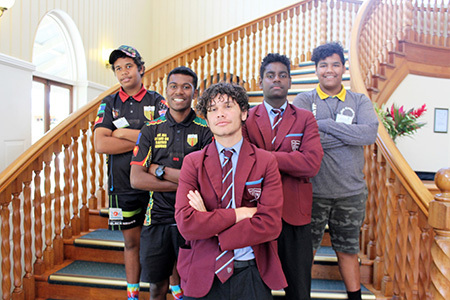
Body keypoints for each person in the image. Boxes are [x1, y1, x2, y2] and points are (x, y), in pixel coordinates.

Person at [174, 82, 287, 299]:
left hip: (252, 271)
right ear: (206, 120)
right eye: (212, 110)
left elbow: (270, 224)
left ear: (244, 112)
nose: (220, 114)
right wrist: (239, 214)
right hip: (203, 270)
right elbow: (187, 224)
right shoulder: (193, 163)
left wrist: (209, 222)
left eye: (227, 106)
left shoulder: (266, 162)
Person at [292, 42, 379, 300]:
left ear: (343, 67)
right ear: (316, 70)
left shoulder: (359, 100)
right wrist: (347, 135)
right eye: (323, 65)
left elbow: (369, 133)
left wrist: (325, 125)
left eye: (334, 64)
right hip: (312, 192)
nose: (329, 70)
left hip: (350, 194)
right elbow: (302, 138)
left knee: (348, 250)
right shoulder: (304, 99)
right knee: (304, 253)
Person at [242, 53, 323, 300]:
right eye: (270, 75)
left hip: (294, 214)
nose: (276, 80)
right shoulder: (246, 119)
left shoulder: (305, 118)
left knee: (298, 290)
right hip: (256, 211)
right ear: (260, 82)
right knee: (256, 288)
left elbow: (311, 164)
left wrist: (263, 157)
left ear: (289, 82)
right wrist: (288, 159)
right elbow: (244, 163)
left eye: (282, 75)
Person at [130, 66, 213, 300]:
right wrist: (186, 183)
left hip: (193, 218)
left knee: (193, 286)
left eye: (186, 87)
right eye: (174, 86)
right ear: (166, 91)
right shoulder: (150, 129)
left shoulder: (206, 130)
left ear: (195, 93)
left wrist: (158, 170)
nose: (180, 91)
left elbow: (206, 179)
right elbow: (136, 179)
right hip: (156, 218)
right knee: (157, 287)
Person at [94, 45, 168, 300]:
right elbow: (101, 144)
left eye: (128, 66)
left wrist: (121, 134)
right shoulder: (109, 103)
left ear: (140, 68)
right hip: (120, 188)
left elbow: (163, 140)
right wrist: (144, 138)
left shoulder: (158, 101)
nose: (123, 72)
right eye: (118, 69)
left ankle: (173, 291)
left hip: (154, 185)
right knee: (131, 243)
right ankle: (133, 295)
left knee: (162, 242)